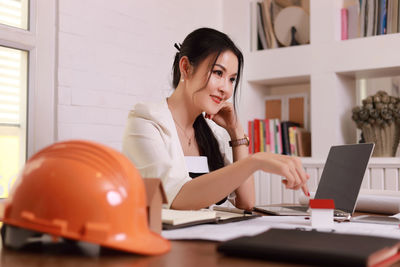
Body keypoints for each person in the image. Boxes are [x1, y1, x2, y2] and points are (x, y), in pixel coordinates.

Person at [122, 27, 309, 211]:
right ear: (186, 68)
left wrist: (235, 131)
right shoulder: (146, 121)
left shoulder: (211, 134)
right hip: (164, 239)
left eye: (232, 79)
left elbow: (246, 202)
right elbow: (177, 197)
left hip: (208, 237)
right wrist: (255, 162)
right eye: (219, 73)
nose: (226, 89)